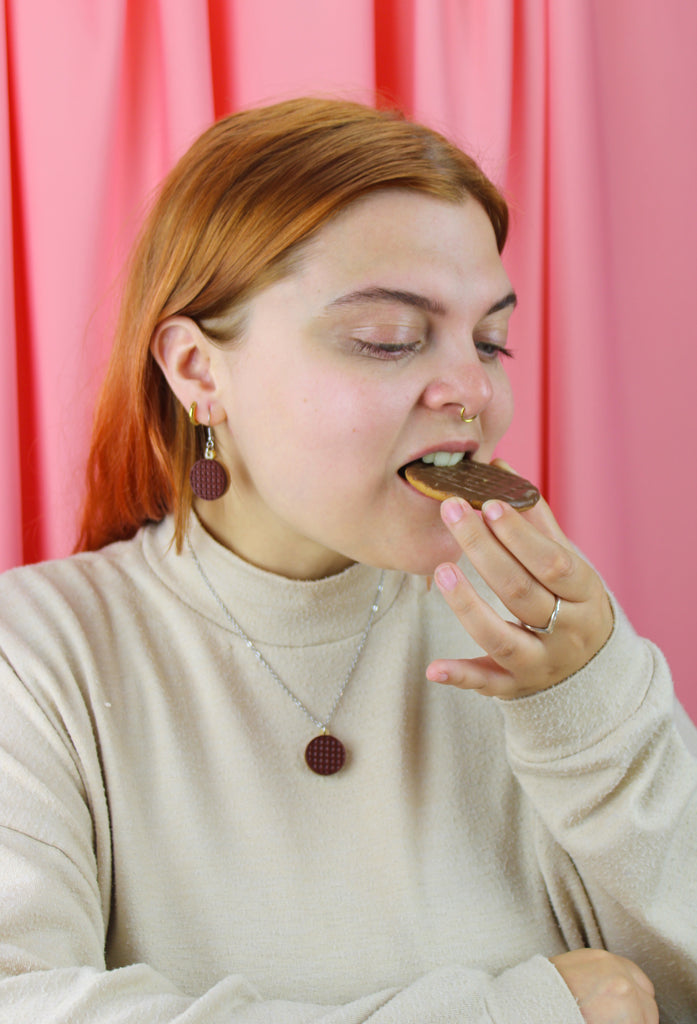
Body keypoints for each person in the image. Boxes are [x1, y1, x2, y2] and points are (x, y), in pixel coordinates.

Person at [0, 97, 694, 1024]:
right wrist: (521, 1011)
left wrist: (594, 711)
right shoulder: (38, 656)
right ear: (198, 371)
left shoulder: (540, 639)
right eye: (389, 340)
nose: (474, 391)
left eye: (490, 339)